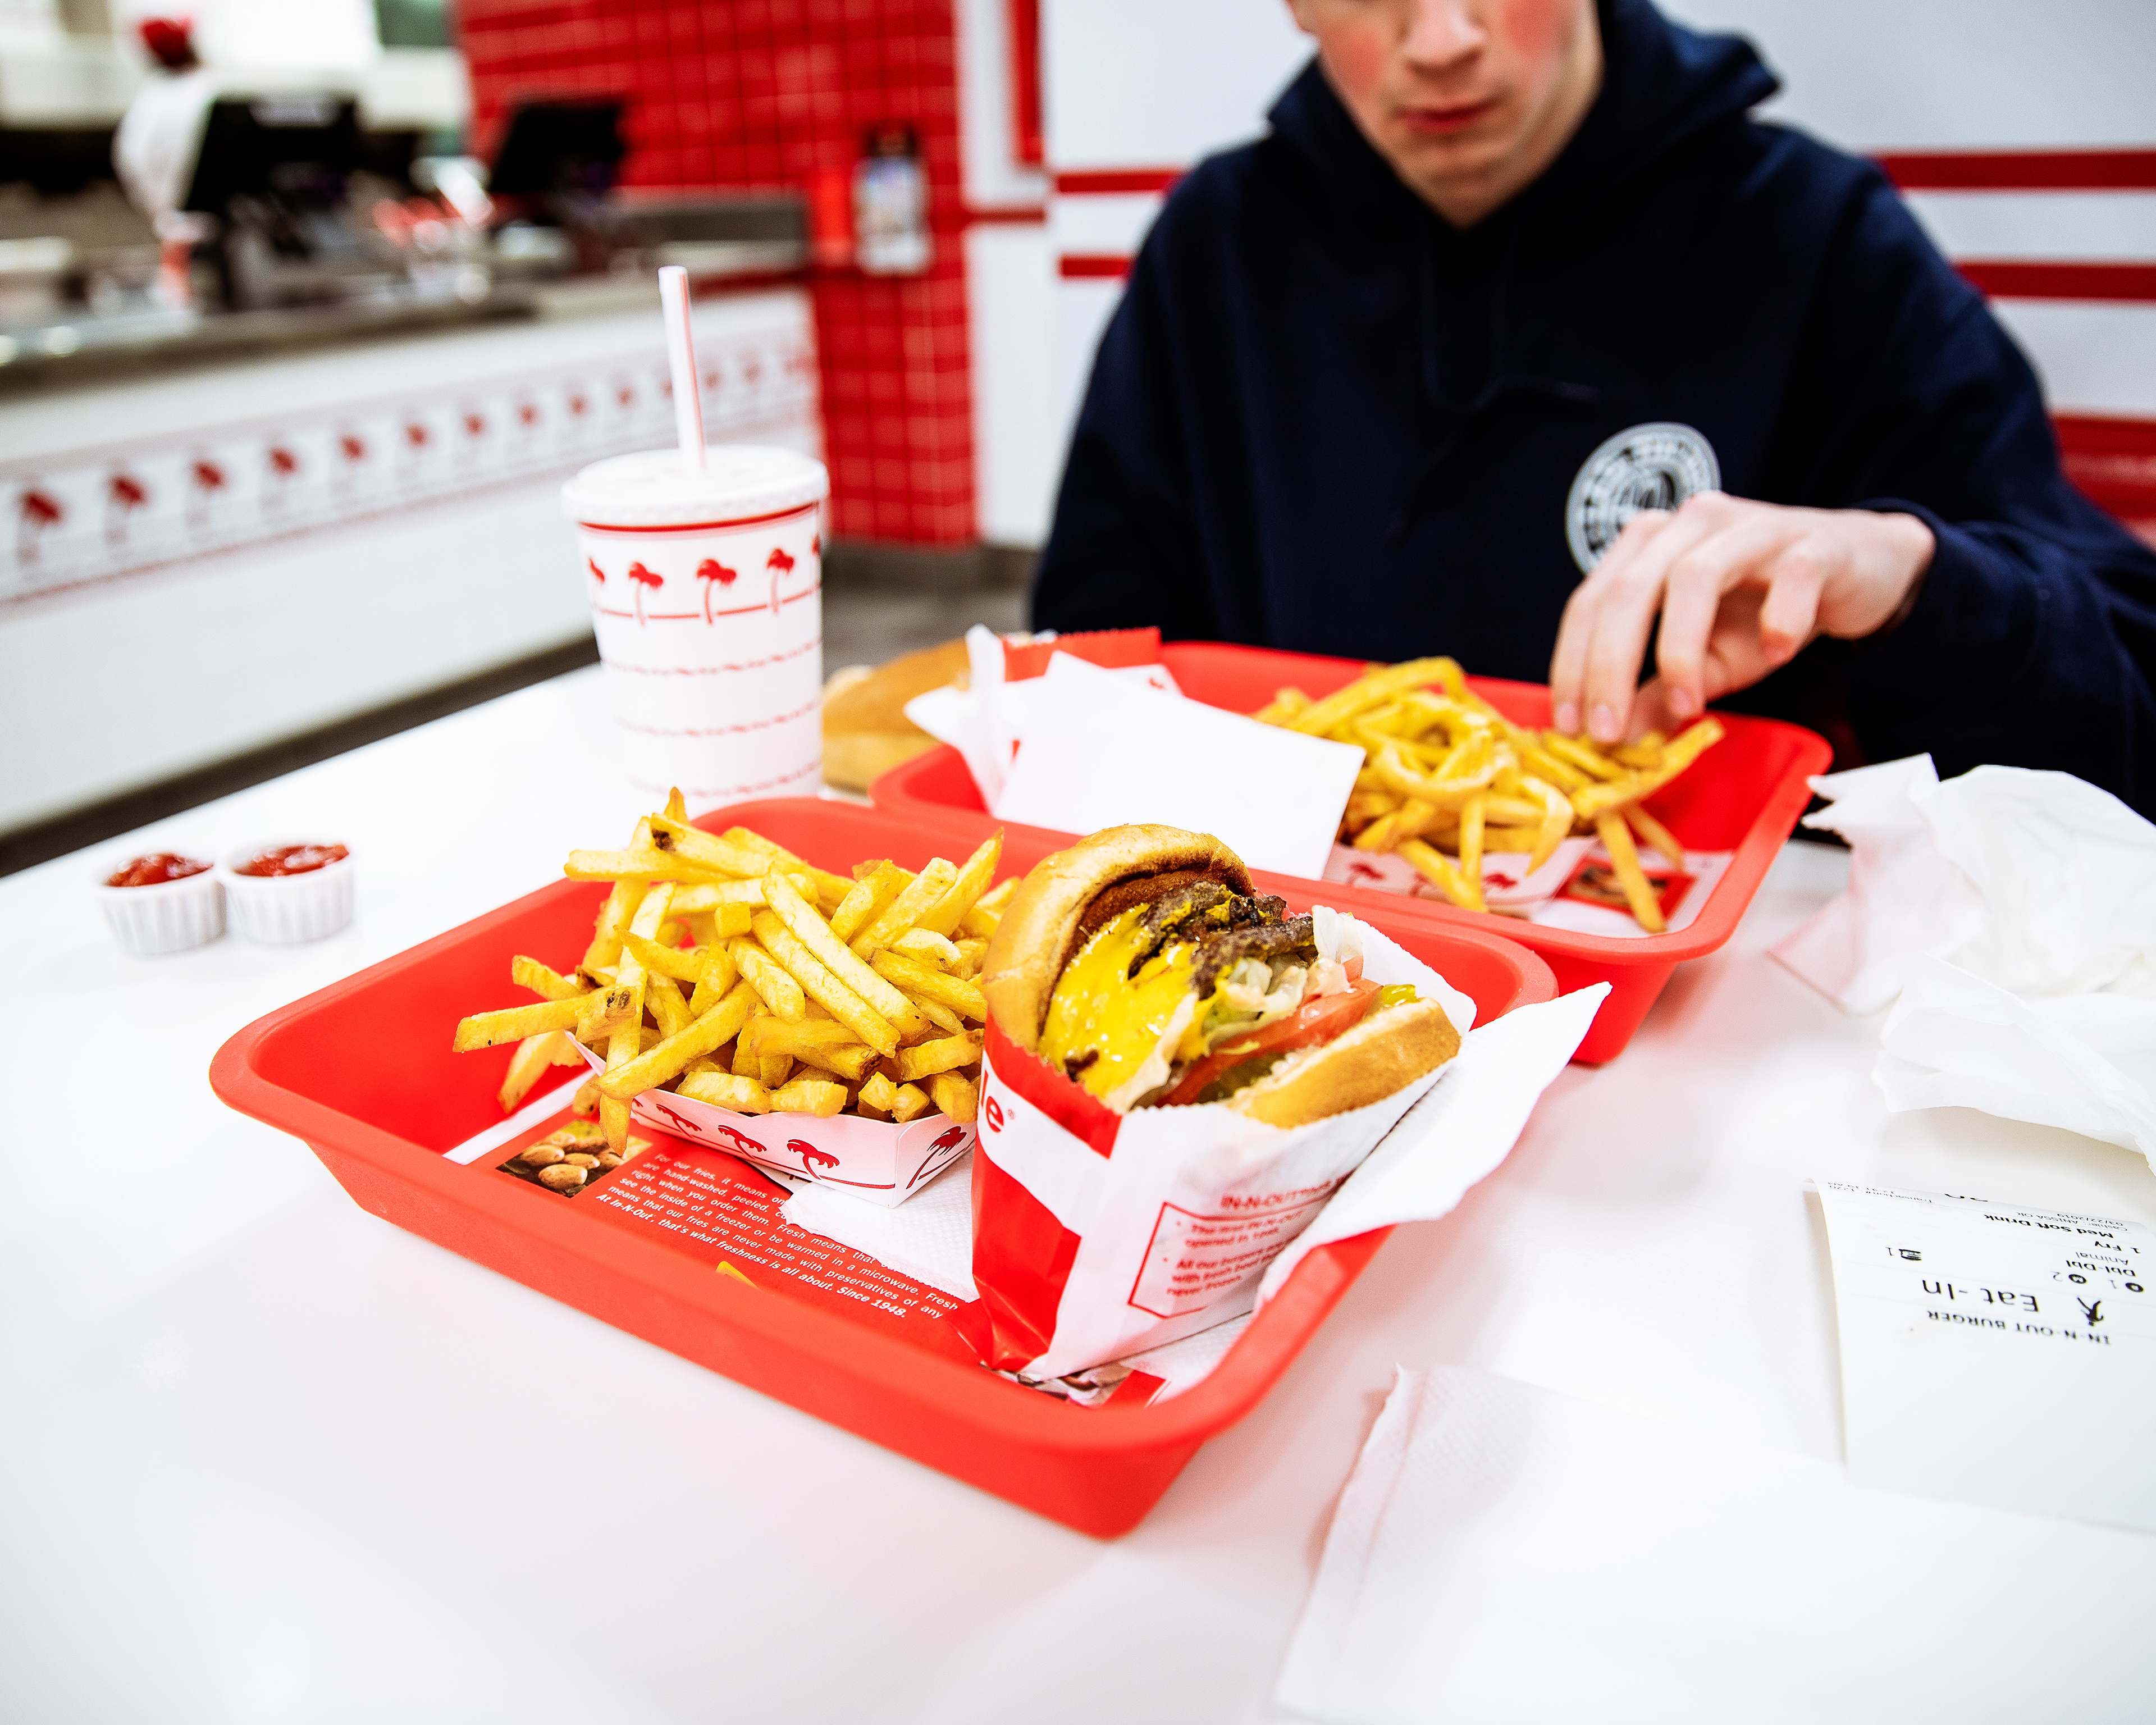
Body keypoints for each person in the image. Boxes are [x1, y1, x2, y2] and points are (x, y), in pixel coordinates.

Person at [1030, 0, 2156, 815]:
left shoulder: (1812, 234)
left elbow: (2124, 707)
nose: (1442, 39)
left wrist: (1911, 581)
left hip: (1726, 996)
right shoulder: (1215, 251)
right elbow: (1090, 671)